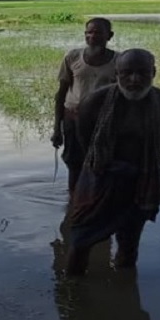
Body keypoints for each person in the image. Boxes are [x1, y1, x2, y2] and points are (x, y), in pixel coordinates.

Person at [67, 49, 160, 274]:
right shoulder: (95, 102)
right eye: (127, 73)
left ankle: (124, 289)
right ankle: (72, 295)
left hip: (140, 183)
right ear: (116, 74)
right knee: (81, 240)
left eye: (142, 73)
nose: (134, 79)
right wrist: (108, 166)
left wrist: (137, 164)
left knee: (129, 244)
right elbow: (86, 143)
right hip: (99, 180)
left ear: (154, 73)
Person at [51, 17, 118, 195]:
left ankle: (96, 201)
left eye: (98, 32)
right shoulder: (72, 57)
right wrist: (57, 128)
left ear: (109, 36)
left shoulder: (118, 61)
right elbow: (61, 94)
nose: (92, 36)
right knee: (74, 163)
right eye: (89, 32)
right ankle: (74, 202)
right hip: (73, 119)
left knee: (102, 162)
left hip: (103, 123)